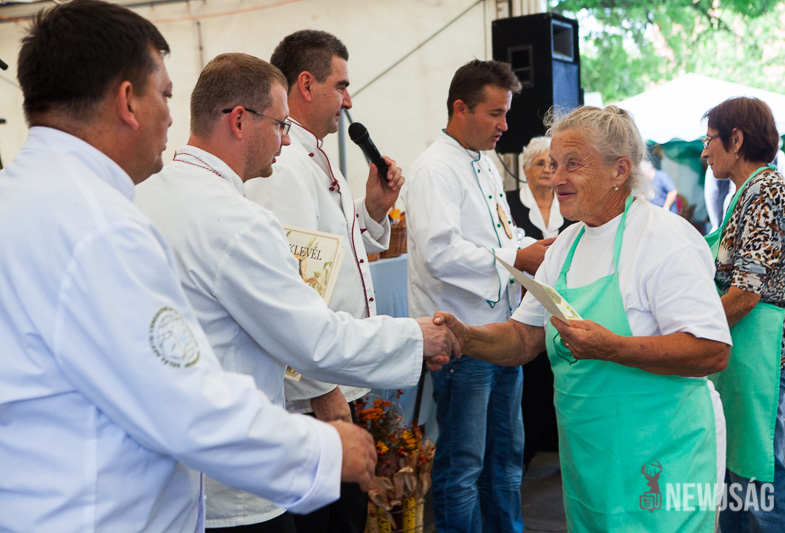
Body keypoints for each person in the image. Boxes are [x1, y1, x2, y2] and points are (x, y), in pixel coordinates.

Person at [0, 2, 381, 531]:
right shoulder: (101, 227)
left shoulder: (21, 198)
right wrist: (323, 449)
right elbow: (185, 403)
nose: (172, 116)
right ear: (127, 101)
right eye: (165, 95)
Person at [135, 53, 458, 533]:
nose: (285, 139)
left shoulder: (145, 194)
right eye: (279, 125)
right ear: (239, 120)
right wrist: (415, 337)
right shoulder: (239, 220)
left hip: (169, 465)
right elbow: (313, 338)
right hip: (237, 472)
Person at [436, 105, 732, 532]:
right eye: (554, 164)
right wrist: (462, 336)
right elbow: (522, 338)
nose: (556, 178)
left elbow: (711, 352)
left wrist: (613, 348)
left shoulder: (665, 239)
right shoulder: (565, 246)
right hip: (592, 466)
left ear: (619, 171)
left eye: (573, 164)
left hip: (665, 457)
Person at [244, 30, 398, 532]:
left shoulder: (312, 155)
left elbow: (335, 251)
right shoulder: (285, 164)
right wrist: (321, 388)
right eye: (342, 86)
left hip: (332, 374)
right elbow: (289, 287)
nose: (349, 101)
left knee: (346, 517)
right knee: (331, 523)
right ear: (307, 85)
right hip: (313, 393)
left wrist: (373, 208)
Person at [402, 59, 552, 533]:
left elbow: (501, 233)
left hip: (503, 333)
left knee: (506, 458)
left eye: (506, 113)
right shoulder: (434, 169)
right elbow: (440, 254)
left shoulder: (483, 162)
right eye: (495, 113)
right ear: (460, 108)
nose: (504, 125)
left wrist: (535, 246)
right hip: (462, 338)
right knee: (464, 464)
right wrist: (518, 256)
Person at [700, 96, 785, 532]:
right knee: (736, 470)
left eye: (709, 140)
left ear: (736, 139)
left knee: (757, 473)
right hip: (746, 342)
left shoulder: (766, 192)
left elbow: (745, 294)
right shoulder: (748, 192)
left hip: (759, 342)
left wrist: (695, 333)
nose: (704, 152)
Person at [505, 135, 574, 466]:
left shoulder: (570, 203)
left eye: (552, 163)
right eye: (540, 163)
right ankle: (529, 446)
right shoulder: (508, 204)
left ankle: (557, 443)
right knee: (529, 376)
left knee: (559, 369)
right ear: (524, 168)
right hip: (522, 300)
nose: (547, 169)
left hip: (563, 300)